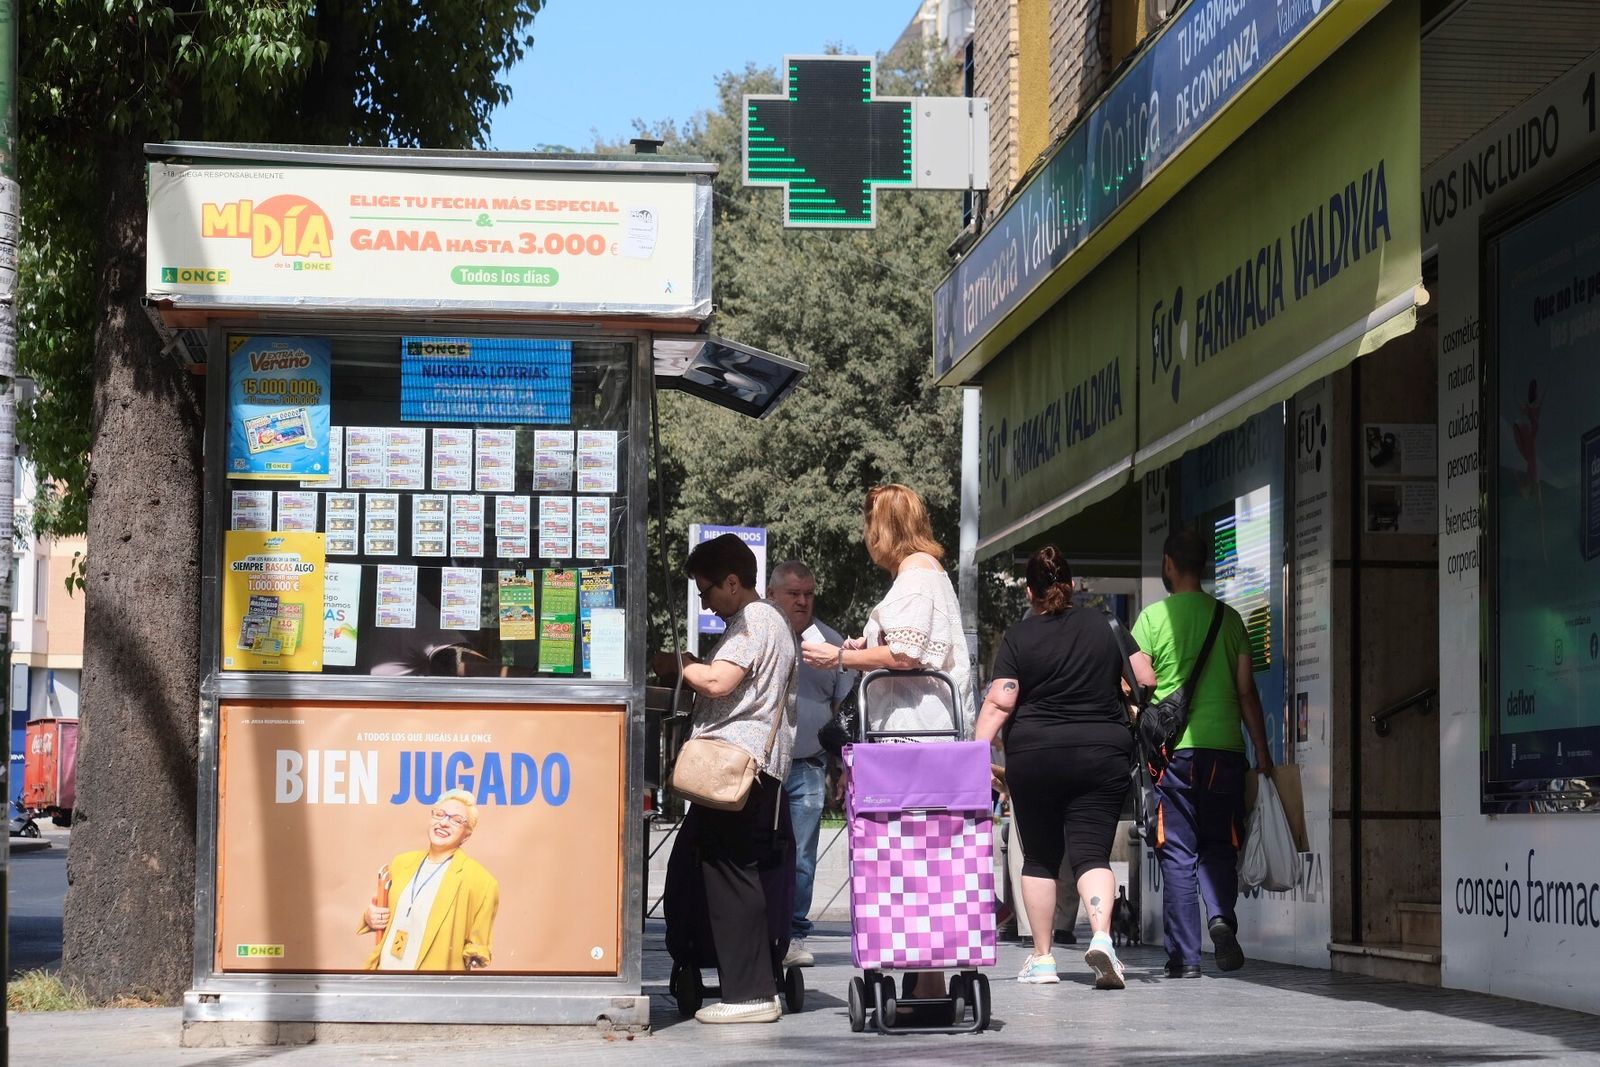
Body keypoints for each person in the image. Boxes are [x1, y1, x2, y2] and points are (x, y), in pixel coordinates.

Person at [800, 483, 973, 1001]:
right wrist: (864, 645)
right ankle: (927, 976)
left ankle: (926, 974)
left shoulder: (917, 577)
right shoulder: (921, 575)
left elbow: (907, 655)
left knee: (911, 851)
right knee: (926, 855)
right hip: (920, 735)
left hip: (915, 737)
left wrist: (839, 657)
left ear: (883, 527)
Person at [975, 546, 1155, 988]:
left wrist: (973, 753)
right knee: (1092, 854)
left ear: (1031, 593)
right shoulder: (1105, 625)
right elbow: (1146, 678)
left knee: (1039, 858)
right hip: (1102, 755)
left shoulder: (1020, 638)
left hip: (1035, 758)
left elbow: (1001, 701)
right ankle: (1100, 937)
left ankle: (1042, 959)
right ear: (1071, 586)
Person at [1131, 527, 1274, 978]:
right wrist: (1263, 753)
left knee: (1176, 851)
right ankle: (1221, 917)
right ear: (1206, 566)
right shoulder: (1230, 620)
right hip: (1225, 751)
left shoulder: (1152, 621)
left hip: (1174, 756)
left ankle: (1185, 958)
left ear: (1170, 565)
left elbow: (1133, 684)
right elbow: (1247, 693)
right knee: (1219, 842)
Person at [674, 533, 799, 1024]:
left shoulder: (755, 619)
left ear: (732, 582)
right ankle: (746, 983)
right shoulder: (768, 620)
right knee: (717, 866)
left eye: (706, 590)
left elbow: (718, 681)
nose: (704, 600)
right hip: (747, 770)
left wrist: (685, 664)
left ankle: (749, 994)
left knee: (732, 872)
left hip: (739, 769)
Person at [768, 559, 856, 969]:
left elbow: (842, 713)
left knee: (802, 856)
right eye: (794, 594)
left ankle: (795, 935)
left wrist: (843, 766)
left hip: (808, 768)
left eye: (808, 594)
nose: (803, 601)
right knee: (758, 851)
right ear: (772, 595)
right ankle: (756, 930)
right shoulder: (760, 635)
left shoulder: (830, 644)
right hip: (762, 767)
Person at [360, 788, 500, 971]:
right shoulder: (401, 863)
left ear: (467, 835)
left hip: (430, 989)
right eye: (439, 814)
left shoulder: (482, 882)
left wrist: (475, 955)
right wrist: (370, 917)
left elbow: (478, 948)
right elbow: (383, 913)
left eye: (456, 820)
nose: (444, 823)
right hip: (385, 978)